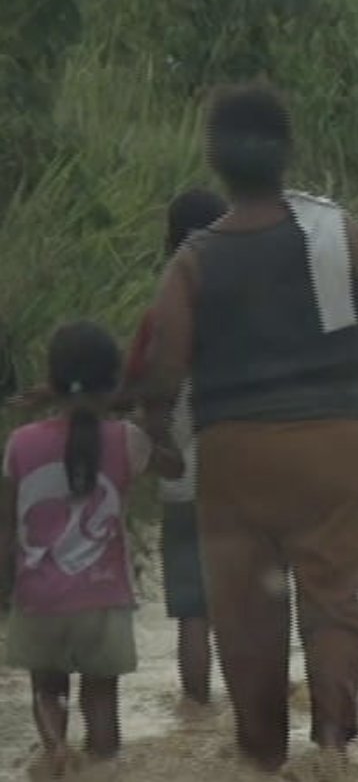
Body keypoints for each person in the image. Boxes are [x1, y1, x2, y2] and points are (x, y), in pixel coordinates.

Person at [140, 84, 358, 775]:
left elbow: (164, 361)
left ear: (215, 163)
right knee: (334, 601)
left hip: (236, 460)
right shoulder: (335, 232)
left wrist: (159, 433)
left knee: (247, 622)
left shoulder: (194, 259)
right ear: (286, 155)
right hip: (336, 446)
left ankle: (263, 753)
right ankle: (328, 745)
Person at [0, 321, 182, 776]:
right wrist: (132, 404)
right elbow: (175, 466)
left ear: (52, 380)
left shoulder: (20, 443)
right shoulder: (125, 439)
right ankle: (102, 766)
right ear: (112, 380)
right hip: (103, 601)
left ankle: (56, 751)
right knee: (102, 701)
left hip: (38, 599)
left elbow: (6, 529)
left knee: (47, 690)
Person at [121, 189, 228, 706]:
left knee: (192, 612)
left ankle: (196, 716)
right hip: (246, 482)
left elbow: (139, 398)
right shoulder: (248, 316)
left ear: (170, 243)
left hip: (182, 484)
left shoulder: (158, 320)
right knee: (251, 607)